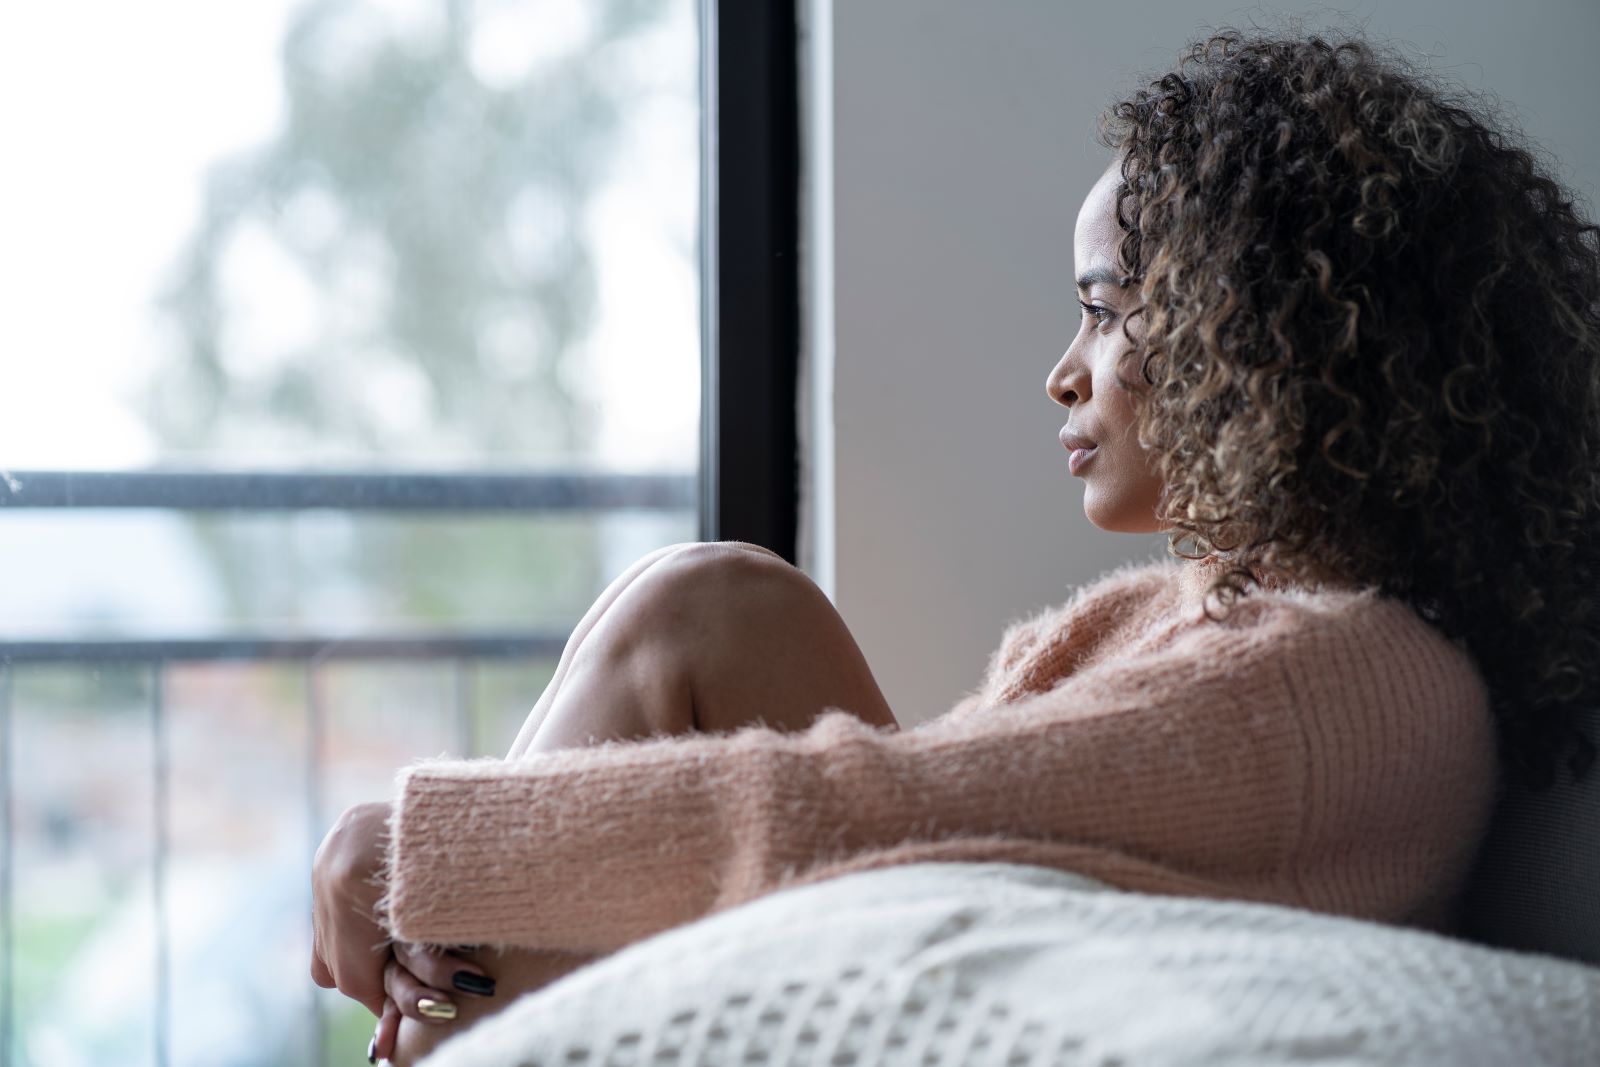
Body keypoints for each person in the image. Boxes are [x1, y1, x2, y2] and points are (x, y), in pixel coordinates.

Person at [312, 26, 1600, 1065]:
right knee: (706, 606)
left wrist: (431, 848)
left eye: (1105, 314)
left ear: (1259, 334)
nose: (1062, 373)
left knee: (709, 609)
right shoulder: (1168, 620)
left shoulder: (1355, 679)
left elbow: (880, 809)